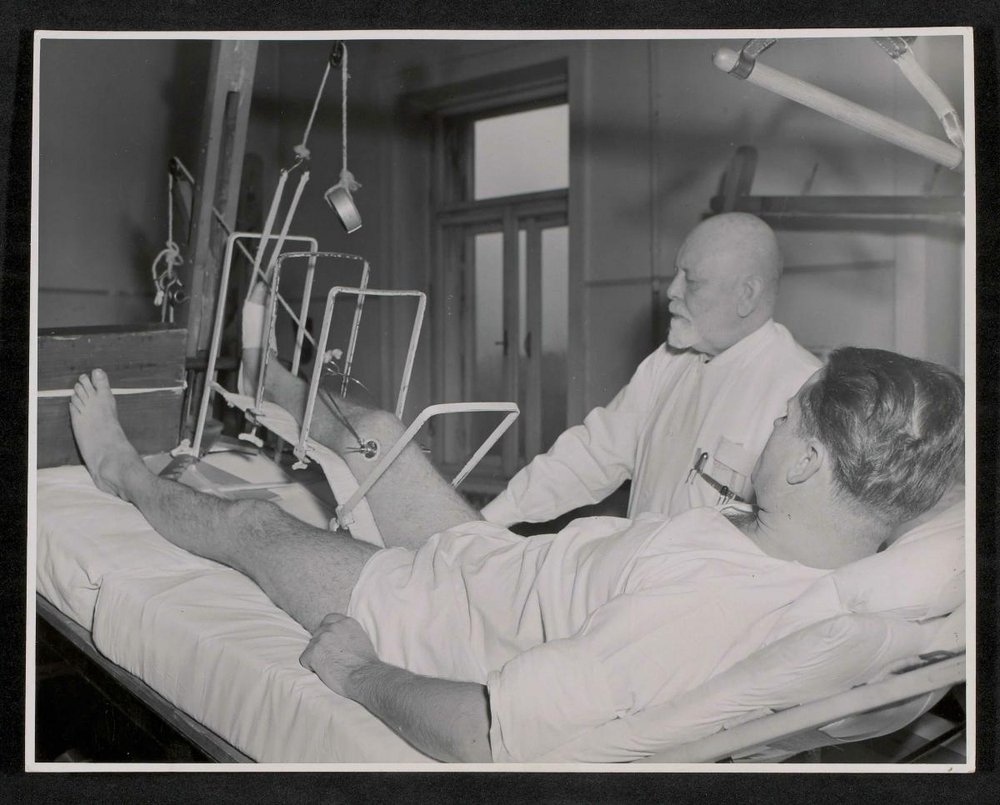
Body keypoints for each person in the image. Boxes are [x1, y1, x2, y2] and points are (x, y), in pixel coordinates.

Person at [68, 311, 963, 762]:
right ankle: (265, 372)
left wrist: (356, 669)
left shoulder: (700, 613)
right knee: (377, 430)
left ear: (806, 464)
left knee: (255, 522)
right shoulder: (811, 546)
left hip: (437, 617)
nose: (767, 424)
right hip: (498, 570)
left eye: (784, 418)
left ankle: (122, 474)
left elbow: (486, 732)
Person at [482, 212, 821, 527]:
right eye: (676, 273)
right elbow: (592, 455)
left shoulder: (803, 390)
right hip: (641, 568)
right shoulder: (670, 360)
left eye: (691, 281)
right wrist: (487, 521)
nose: (672, 290)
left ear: (746, 294)